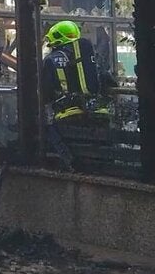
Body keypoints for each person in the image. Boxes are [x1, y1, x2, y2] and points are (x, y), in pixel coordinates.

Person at [41, 20, 117, 171]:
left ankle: (73, 167)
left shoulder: (50, 60)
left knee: (47, 132)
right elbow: (111, 82)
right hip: (98, 117)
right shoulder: (91, 57)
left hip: (67, 119)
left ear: (56, 39)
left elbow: (45, 94)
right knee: (101, 160)